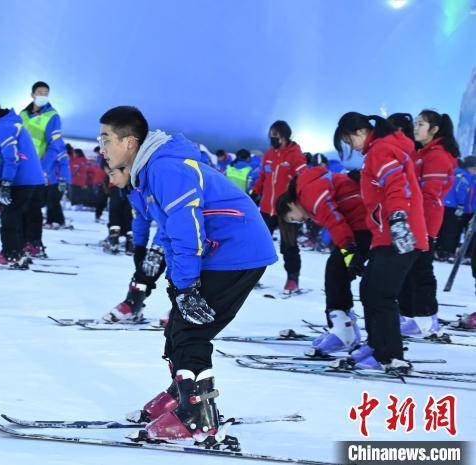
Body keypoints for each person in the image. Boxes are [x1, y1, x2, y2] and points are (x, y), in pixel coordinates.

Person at [98, 106, 276, 445]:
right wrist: (162, 266)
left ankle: (198, 415)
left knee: (192, 330)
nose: (102, 148)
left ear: (130, 142)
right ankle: (183, 394)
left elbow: (187, 231)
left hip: (236, 249)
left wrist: (187, 286)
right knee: (180, 323)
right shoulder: (151, 171)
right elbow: (171, 228)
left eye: (106, 140)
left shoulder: (165, 169)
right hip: (222, 248)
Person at [333, 112, 428, 372]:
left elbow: (397, 186)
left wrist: (398, 220)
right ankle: (377, 346)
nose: (351, 146)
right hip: (385, 233)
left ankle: (389, 355)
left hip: (399, 233)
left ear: (361, 132)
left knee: (381, 294)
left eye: (348, 139)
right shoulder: (379, 150)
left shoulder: (381, 150)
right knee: (368, 289)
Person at [275, 166, 370, 356]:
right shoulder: (308, 188)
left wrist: (349, 251)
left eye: (292, 219)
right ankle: (343, 327)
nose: (298, 221)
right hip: (361, 223)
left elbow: (334, 220)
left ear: (291, 204)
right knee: (336, 273)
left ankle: (344, 332)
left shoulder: (308, 192)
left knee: (335, 273)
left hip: (364, 224)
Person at [395, 111, 458, 337]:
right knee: (409, 269)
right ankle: (411, 316)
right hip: (414, 218)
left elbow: (430, 196)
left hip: (425, 221)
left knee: (421, 268)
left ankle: (427, 316)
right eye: (415, 123)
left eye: (421, 124)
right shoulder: (422, 153)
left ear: (434, 129)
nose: (416, 128)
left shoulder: (437, 156)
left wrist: (419, 224)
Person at [0, 96, 45, 268]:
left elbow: (12, 159)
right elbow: (3, 159)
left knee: (10, 216)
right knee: (14, 214)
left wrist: (6, 183)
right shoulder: (6, 124)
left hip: (23, 178)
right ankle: (17, 250)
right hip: (26, 177)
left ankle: (11, 254)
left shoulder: (5, 127)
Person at [102, 165, 167, 323]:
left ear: (127, 171)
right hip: (172, 228)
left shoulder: (152, 182)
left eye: (112, 175)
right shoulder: (133, 191)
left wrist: (157, 250)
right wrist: (139, 246)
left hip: (196, 224)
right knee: (147, 266)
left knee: (158, 264)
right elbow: (141, 218)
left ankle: (133, 305)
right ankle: (134, 304)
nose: (111, 181)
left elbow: (170, 217)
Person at [251, 120, 306, 293]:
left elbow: (303, 180)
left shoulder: (296, 155)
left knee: (288, 246)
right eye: (270, 135)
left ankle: (292, 280)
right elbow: (262, 177)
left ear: (283, 136)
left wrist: (300, 204)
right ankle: (251, 278)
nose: (271, 138)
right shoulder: (268, 155)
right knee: (259, 244)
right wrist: (254, 193)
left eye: (274, 135)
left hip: (287, 209)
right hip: (267, 208)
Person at [19, 81, 71, 227]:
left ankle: (35, 241)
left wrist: (42, 168)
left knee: (38, 204)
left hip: (37, 167)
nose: (43, 96)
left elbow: (54, 145)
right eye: (40, 93)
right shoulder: (22, 114)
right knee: (20, 204)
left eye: (46, 94)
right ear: (32, 94)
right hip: (21, 165)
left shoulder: (52, 116)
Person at [435, 157, 473, 260]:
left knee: (443, 228)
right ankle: (445, 252)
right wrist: (461, 204)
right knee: (451, 230)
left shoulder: (454, 173)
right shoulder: (464, 177)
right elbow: (460, 190)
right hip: (454, 206)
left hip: (445, 204)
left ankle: (439, 249)